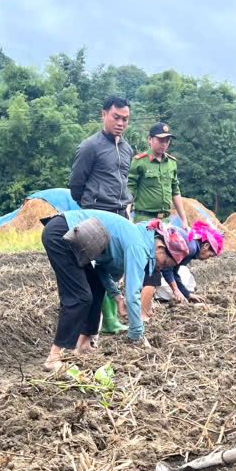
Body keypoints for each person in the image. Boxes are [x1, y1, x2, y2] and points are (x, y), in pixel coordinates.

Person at [41, 210, 171, 370]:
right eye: (165, 263)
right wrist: (137, 335)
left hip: (69, 234)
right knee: (80, 297)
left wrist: (117, 297)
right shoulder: (138, 245)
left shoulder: (137, 237)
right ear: (160, 248)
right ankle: (53, 358)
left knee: (95, 284)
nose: (162, 267)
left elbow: (101, 270)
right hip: (62, 234)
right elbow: (133, 295)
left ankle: (84, 343)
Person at [70, 97, 135, 335]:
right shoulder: (90, 147)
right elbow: (76, 184)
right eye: (115, 117)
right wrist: (90, 207)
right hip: (97, 216)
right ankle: (92, 326)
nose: (120, 123)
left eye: (125, 119)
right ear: (104, 115)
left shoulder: (127, 149)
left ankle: (109, 320)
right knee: (95, 272)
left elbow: (124, 181)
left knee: (115, 268)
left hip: (121, 215)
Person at [128, 122, 189, 225]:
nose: (164, 144)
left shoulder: (171, 163)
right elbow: (130, 189)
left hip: (165, 221)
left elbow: (175, 191)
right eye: (161, 140)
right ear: (149, 139)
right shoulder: (139, 161)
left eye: (167, 141)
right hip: (144, 220)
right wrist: (127, 214)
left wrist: (184, 219)